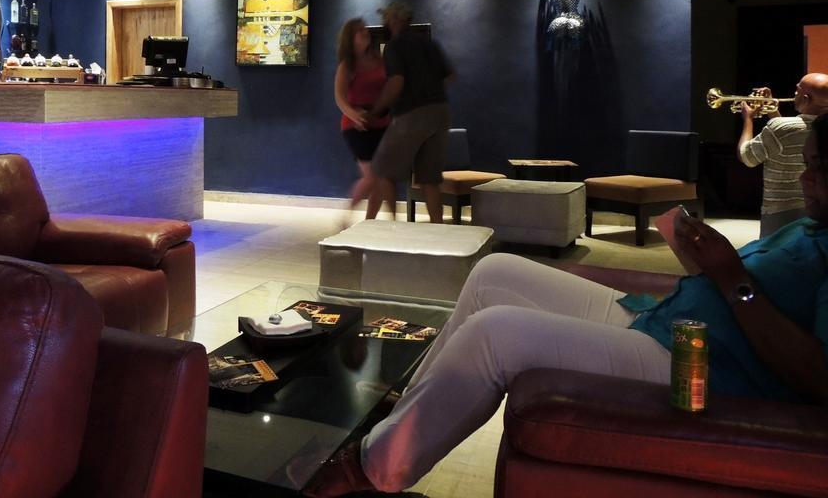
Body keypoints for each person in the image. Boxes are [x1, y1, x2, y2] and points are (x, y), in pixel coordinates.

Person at [307, 114, 828, 497]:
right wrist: (704, 265)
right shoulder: (809, 227)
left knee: (494, 335)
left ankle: (372, 469)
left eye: (816, 169)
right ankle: (401, 414)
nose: (804, 179)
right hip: (659, 317)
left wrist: (731, 275)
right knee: (493, 272)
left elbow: (817, 378)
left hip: (693, 362)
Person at [362, 3, 453, 222]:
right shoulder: (429, 44)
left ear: (394, 20)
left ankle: (383, 225)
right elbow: (449, 76)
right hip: (440, 112)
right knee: (430, 180)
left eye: (386, 18)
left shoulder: (395, 46)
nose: (385, 23)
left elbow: (396, 82)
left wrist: (375, 111)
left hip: (411, 114)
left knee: (382, 170)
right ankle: (439, 231)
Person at [738, 73, 828, 237]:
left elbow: (747, 156)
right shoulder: (817, 130)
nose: (794, 94)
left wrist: (748, 119)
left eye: (797, 90)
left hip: (779, 214)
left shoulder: (781, 128)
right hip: (819, 209)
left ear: (806, 99)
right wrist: (773, 111)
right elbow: (785, 137)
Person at [334, 18, 393, 218]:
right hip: (356, 127)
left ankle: (369, 221)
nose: (365, 32)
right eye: (359, 31)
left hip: (381, 123)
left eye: (365, 29)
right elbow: (340, 98)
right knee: (371, 177)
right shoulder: (347, 65)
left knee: (381, 177)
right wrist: (356, 116)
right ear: (350, 38)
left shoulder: (379, 59)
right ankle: (346, 217)